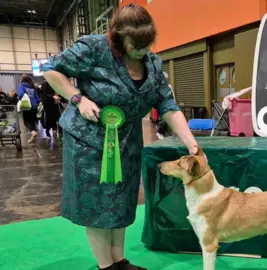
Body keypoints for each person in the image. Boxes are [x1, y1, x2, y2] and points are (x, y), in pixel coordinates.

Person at [42, 4, 199, 270]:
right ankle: (107, 266)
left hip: (127, 142)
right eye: (135, 45)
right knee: (99, 206)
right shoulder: (93, 48)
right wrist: (78, 99)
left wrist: (190, 142)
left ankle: (119, 261)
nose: (142, 50)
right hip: (88, 141)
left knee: (122, 203)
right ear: (117, 37)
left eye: (146, 44)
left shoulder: (152, 62)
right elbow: (50, 69)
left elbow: (167, 105)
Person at [17, 74, 41, 143]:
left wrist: (19, 98)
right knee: (32, 121)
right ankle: (33, 135)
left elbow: (21, 95)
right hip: (34, 107)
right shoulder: (32, 87)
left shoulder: (21, 86)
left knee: (26, 121)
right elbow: (38, 99)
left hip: (27, 106)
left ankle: (33, 133)